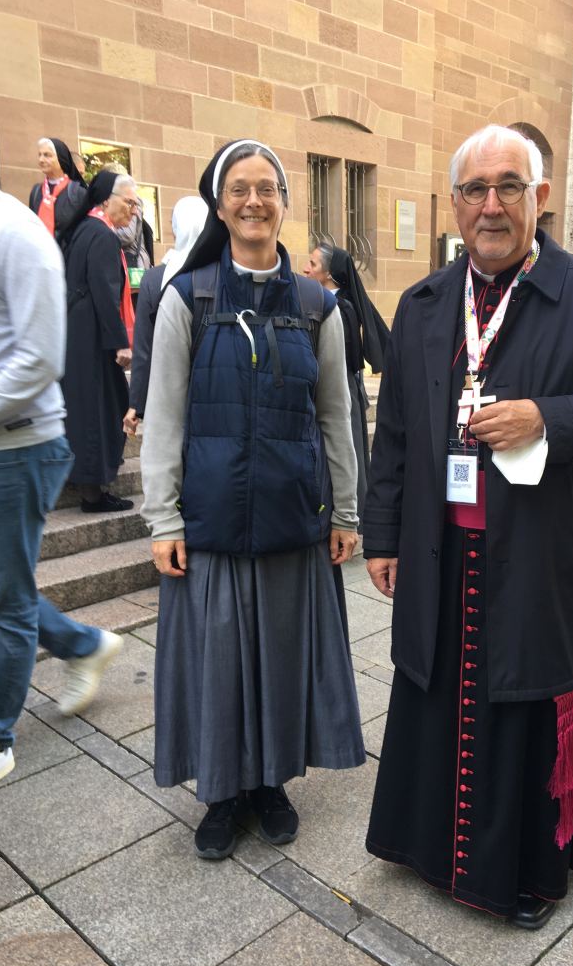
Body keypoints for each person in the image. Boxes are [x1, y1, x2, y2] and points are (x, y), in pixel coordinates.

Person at [363, 124, 573, 929]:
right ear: (455, 203)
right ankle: (429, 848)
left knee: (524, 695)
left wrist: (547, 419)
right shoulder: (424, 305)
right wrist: (383, 536)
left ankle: (526, 870)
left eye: (508, 187)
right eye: (475, 189)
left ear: (541, 197)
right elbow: (395, 435)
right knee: (438, 690)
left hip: (539, 551)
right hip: (442, 548)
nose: (490, 205)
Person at [141, 140, 364, 860]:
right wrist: (163, 518)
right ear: (219, 205)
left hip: (291, 520)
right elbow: (164, 415)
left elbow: (336, 417)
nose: (254, 202)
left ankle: (270, 784)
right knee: (218, 666)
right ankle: (223, 793)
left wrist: (347, 512)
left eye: (267, 188)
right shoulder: (189, 299)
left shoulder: (318, 306)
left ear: (284, 203)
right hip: (209, 521)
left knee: (280, 662)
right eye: (239, 189)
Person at [0, 109, 123, 797]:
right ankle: (84, 643)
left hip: (17, 447)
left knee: (4, 601)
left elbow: (40, 358)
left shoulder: (14, 233)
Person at [62, 171, 136, 513]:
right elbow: (105, 293)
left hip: (79, 333)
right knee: (101, 410)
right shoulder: (103, 236)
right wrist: (120, 342)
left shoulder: (83, 230)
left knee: (89, 408)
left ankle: (89, 482)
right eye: (129, 202)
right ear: (107, 200)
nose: (133, 210)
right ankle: (93, 494)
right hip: (93, 337)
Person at [303, 244, 389, 523]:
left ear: (329, 273)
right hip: (335, 387)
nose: (306, 269)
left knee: (343, 452)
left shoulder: (340, 308)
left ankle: (349, 515)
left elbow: (341, 358)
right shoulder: (326, 303)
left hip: (340, 390)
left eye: (313, 264)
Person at [123, 195, 208, 437]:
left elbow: (144, 347)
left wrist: (136, 403)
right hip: (212, 389)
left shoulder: (155, 279)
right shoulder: (219, 274)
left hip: (166, 390)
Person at [28, 137, 86, 250]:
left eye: (47, 155)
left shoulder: (78, 192)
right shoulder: (36, 191)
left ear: (61, 158)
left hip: (68, 257)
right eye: (39, 155)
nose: (41, 160)